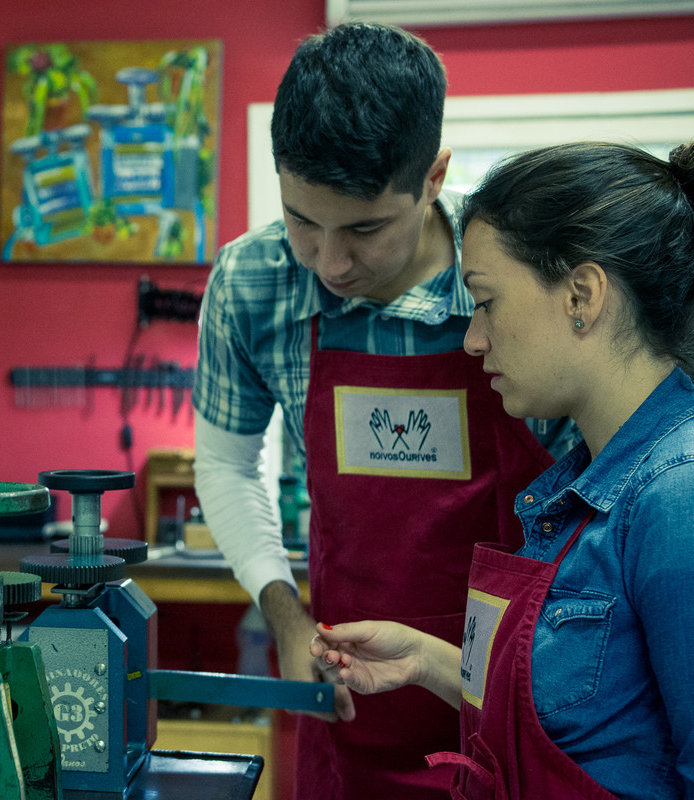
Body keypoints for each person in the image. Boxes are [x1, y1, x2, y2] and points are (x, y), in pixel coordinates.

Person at [191, 22, 580, 799]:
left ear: (433, 176)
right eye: (304, 220)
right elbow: (228, 465)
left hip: (523, 708)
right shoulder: (255, 283)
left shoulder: (512, 285)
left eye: (364, 228)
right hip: (349, 703)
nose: (331, 263)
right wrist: (285, 613)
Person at [311, 139, 694, 799]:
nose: (472, 338)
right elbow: (603, 715)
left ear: (582, 294)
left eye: (486, 301)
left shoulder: (675, 496)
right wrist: (430, 660)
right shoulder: (585, 484)